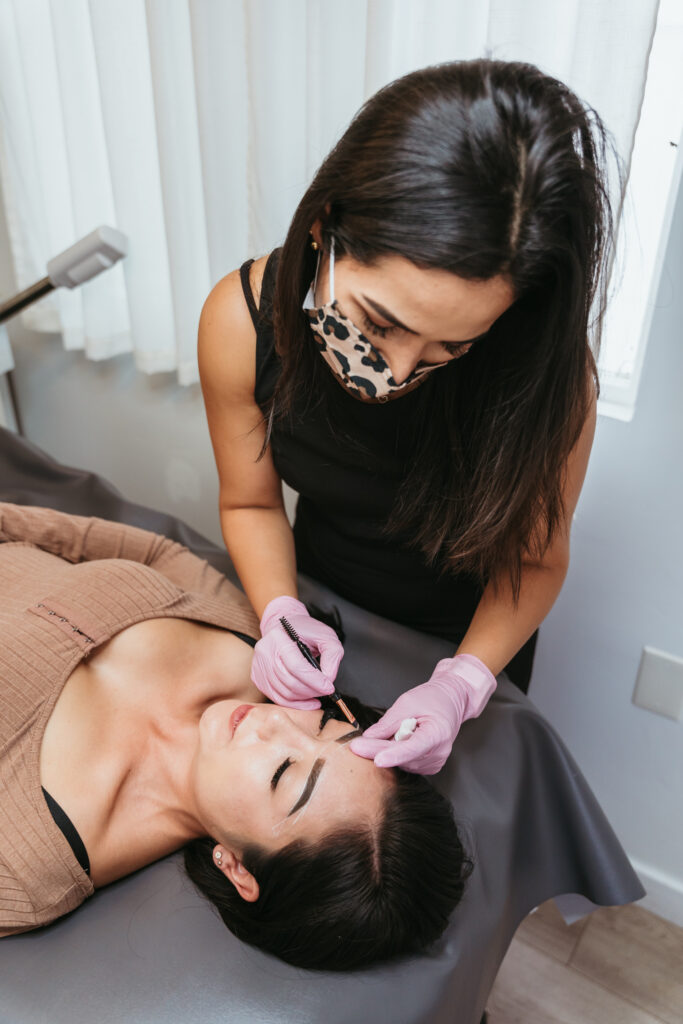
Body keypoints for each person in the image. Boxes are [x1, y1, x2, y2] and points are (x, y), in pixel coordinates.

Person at [198, 58, 618, 776]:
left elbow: (534, 560)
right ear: (324, 228)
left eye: (453, 345)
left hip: (469, 633)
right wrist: (279, 613)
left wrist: (461, 685)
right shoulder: (241, 321)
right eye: (380, 322)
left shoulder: (548, 378)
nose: (395, 373)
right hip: (317, 598)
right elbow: (248, 500)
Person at [0, 502, 468, 970]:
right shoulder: (254, 643)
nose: (277, 721)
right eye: (327, 726)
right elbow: (145, 550)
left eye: (284, 773)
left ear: (238, 867)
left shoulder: (27, 869)